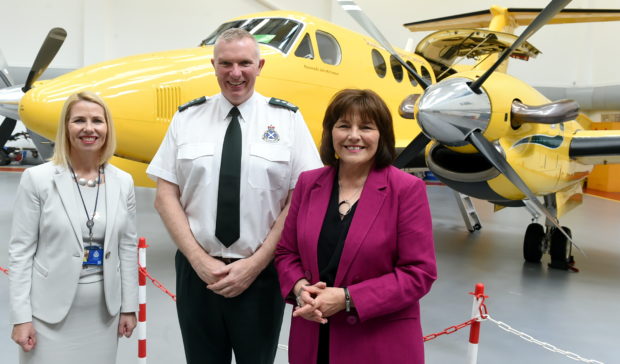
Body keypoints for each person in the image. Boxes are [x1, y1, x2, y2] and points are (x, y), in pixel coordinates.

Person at [146, 28, 321, 364]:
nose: (235, 73)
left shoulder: (287, 120)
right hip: (198, 275)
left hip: (261, 276)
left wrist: (254, 265)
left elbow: (299, 199)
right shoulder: (186, 118)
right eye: (225, 63)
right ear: (213, 64)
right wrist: (199, 261)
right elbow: (165, 194)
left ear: (260, 65)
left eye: (244, 63)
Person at [274, 89, 438, 364]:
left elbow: (419, 273)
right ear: (331, 133)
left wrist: (347, 298)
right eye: (343, 126)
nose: (353, 135)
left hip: (378, 344)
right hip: (313, 339)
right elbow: (285, 254)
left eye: (365, 127)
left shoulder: (406, 189)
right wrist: (301, 289)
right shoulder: (308, 184)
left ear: (381, 135)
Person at [8, 91, 138, 364]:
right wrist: (21, 318)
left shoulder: (123, 182)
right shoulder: (38, 179)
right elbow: (20, 252)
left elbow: (127, 248)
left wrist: (129, 307)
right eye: (79, 120)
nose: (89, 128)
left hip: (104, 317)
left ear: (107, 128)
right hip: (47, 317)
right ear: (66, 128)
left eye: (97, 121)